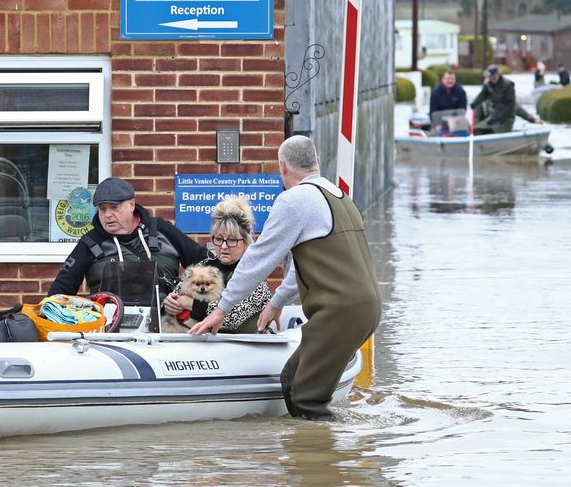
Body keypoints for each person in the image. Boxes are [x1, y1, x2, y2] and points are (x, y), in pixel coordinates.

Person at [190, 136, 382, 419]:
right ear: (316, 161)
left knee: (306, 398)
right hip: (367, 308)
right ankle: (304, 455)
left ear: (282, 167)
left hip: (339, 311)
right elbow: (308, 264)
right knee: (291, 379)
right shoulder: (340, 196)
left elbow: (258, 259)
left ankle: (326, 460)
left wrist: (221, 308)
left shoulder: (293, 201)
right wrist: (277, 301)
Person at [47, 176, 208, 297]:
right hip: (109, 327)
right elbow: (60, 291)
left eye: (114, 207)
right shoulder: (89, 243)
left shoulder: (161, 230)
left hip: (166, 324)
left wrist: (192, 301)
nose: (107, 215)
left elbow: (208, 265)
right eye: (102, 209)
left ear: (131, 205)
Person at [162, 196, 272, 333]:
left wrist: (189, 303)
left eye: (232, 240)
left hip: (244, 348)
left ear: (245, 242)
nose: (224, 246)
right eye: (219, 239)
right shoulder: (204, 265)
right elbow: (177, 293)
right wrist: (170, 303)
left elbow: (231, 317)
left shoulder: (255, 272)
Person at [470, 65, 543, 135]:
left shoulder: (508, 85)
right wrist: (474, 104)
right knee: (477, 129)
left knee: (495, 130)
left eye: (494, 77)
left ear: (498, 75)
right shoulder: (486, 91)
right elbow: (476, 116)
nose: (492, 80)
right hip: (492, 118)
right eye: (490, 78)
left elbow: (514, 107)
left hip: (505, 119)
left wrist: (533, 120)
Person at [428, 70, 468, 134]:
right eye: (448, 79)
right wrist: (437, 124)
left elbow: (463, 108)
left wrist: (456, 121)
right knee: (434, 132)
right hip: (440, 122)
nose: (450, 81)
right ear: (443, 79)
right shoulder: (435, 92)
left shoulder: (460, 91)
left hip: (456, 121)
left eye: (452, 79)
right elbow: (432, 110)